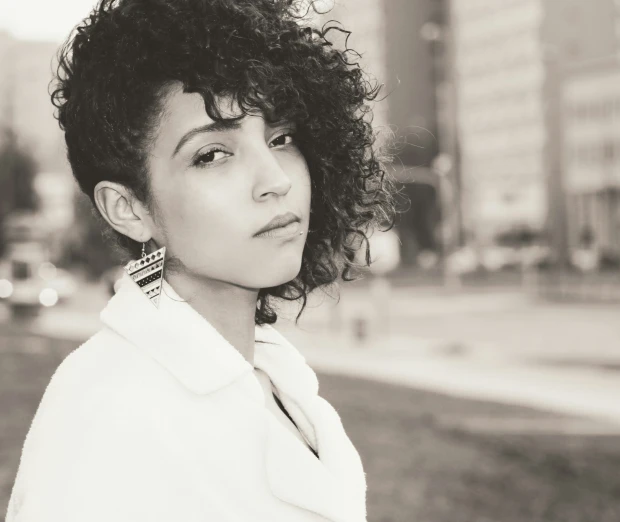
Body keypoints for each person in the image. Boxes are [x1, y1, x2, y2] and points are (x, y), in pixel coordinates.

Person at [5, 0, 396, 520]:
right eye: (212, 154)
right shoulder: (107, 418)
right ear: (128, 208)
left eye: (281, 139)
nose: (276, 180)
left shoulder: (274, 375)